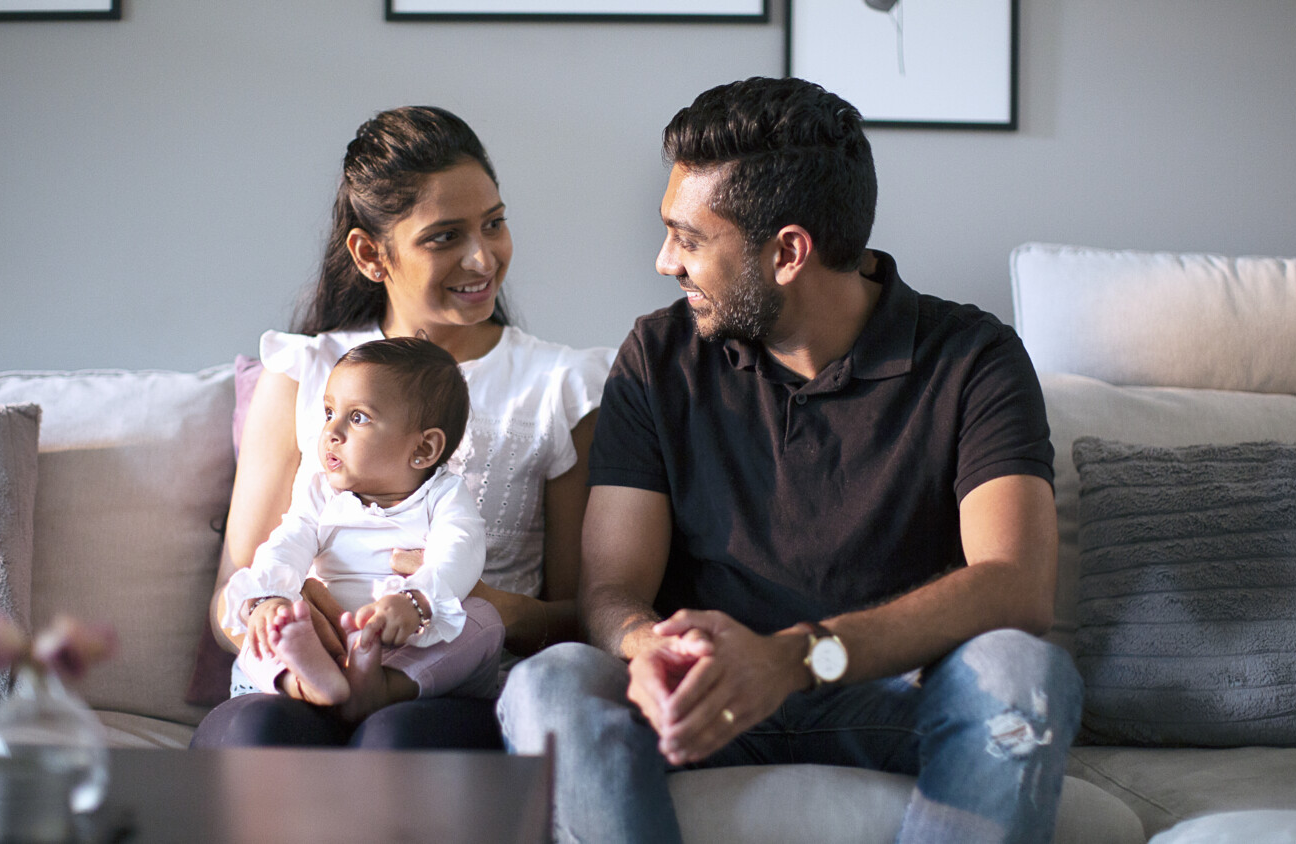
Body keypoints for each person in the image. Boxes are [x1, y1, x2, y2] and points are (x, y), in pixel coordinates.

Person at [497, 77, 1083, 844]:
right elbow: (611, 587)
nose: (664, 260)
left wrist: (793, 659)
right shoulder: (658, 354)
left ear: (788, 252)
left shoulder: (974, 358)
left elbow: (1016, 586)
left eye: (690, 237)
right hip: (700, 701)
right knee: (551, 683)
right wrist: (647, 649)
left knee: (1022, 673)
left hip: (888, 697)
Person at [192, 106, 611, 749]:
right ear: (369, 253)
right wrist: (281, 617)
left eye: (493, 225)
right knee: (259, 732)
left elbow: (583, 618)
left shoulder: (562, 386)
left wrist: (463, 605)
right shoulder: (305, 373)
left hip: (447, 682)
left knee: (396, 739)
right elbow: (233, 593)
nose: (482, 258)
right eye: (444, 237)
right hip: (307, 660)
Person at [222, 337, 503, 722]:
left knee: (483, 619)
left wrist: (417, 601)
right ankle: (302, 681)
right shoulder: (321, 491)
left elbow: (460, 548)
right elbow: (289, 541)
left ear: (423, 449)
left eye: (358, 418)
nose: (331, 432)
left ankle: (383, 685)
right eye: (328, 412)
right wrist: (270, 595)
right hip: (324, 636)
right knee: (257, 618)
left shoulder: (444, 496)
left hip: (405, 637)